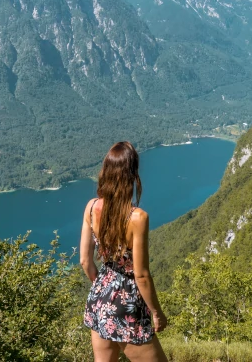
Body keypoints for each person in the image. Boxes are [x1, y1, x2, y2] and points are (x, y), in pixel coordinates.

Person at [80, 141, 168, 362]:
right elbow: (141, 275)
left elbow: (84, 261)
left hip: (99, 298)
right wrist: (156, 312)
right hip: (127, 304)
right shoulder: (138, 218)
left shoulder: (91, 207)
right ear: (132, 174)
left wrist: (104, 290)